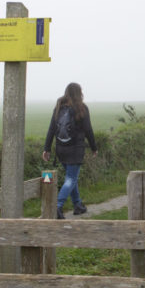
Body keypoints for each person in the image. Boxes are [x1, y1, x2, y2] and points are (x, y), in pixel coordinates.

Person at [42, 82, 98, 219]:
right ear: (79, 93)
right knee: (71, 178)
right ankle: (57, 207)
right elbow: (88, 130)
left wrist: (47, 148)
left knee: (71, 177)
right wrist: (94, 147)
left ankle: (78, 205)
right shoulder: (81, 108)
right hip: (75, 149)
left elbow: (51, 129)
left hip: (61, 149)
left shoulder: (59, 108)